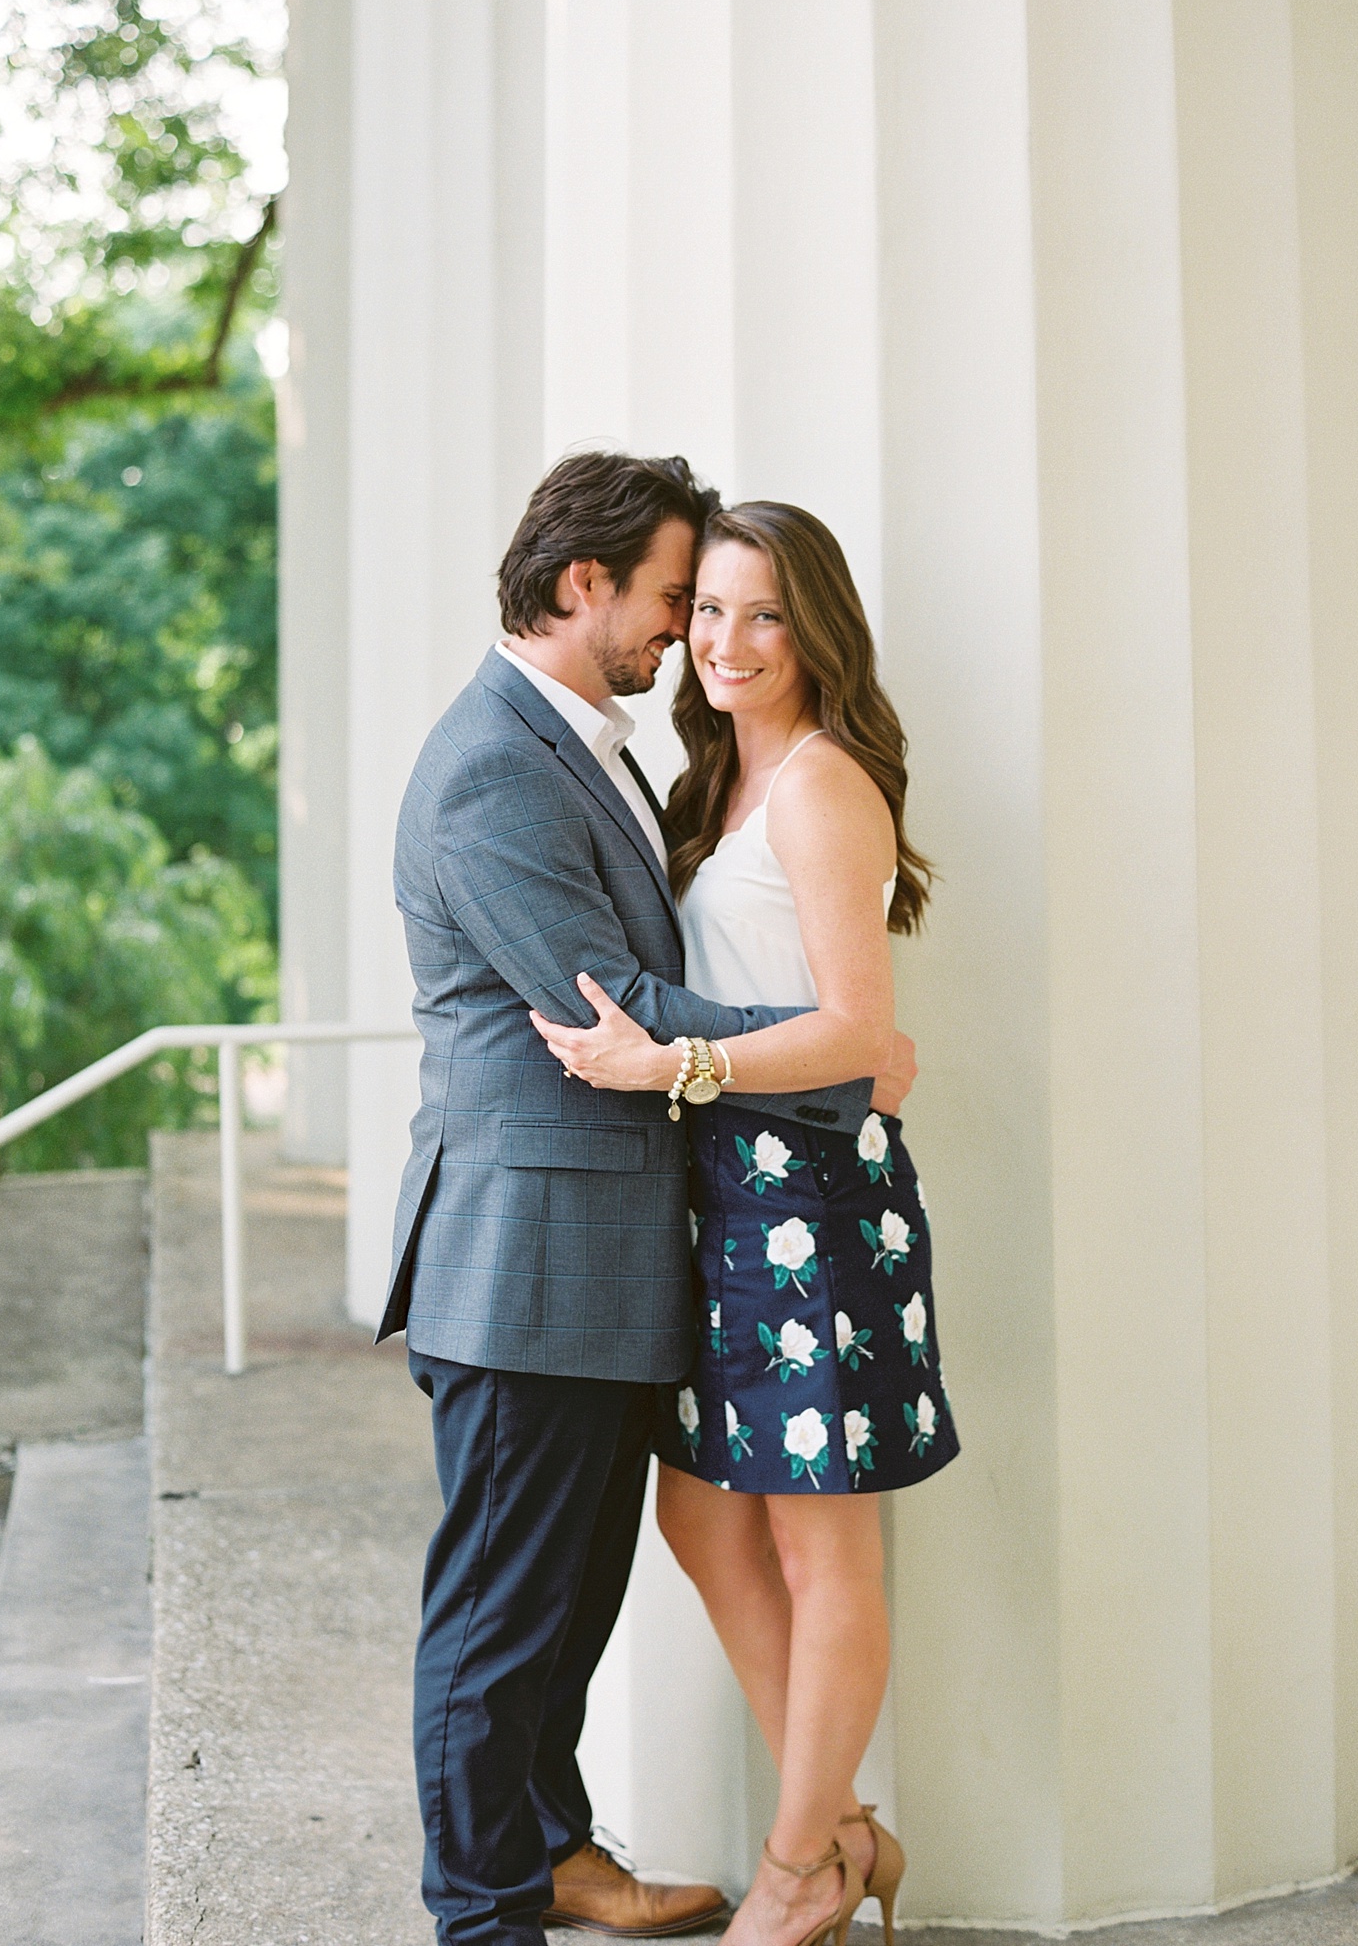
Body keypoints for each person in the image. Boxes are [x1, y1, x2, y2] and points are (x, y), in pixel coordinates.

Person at [380, 454, 894, 1946]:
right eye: (674, 597)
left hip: (607, 1261)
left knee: (568, 1602)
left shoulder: (587, 742)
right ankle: (486, 1915)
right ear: (579, 582)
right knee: (498, 1618)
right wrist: (840, 1057)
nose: (684, 631)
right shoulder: (489, 765)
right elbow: (613, 1006)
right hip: (524, 1259)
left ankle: (553, 1849)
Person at [529, 502, 959, 1946]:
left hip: (816, 1206)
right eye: (705, 610)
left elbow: (856, 1029)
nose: (723, 642)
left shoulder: (825, 785)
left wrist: (674, 1065)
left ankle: (798, 1874)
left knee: (822, 1550)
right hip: (724, 1206)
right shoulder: (713, 780)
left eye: (762, 614)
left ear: (814, 627)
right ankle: (838, 1828)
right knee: (705, 1511)